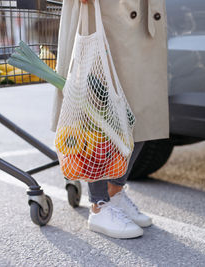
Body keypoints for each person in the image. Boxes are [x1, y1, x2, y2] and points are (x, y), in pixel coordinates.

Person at [52, 0, 170, 239]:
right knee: (98, 110)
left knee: (143, 113)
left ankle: (114, 191)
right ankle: (100, 205)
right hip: (105, 12)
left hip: (140, 16)